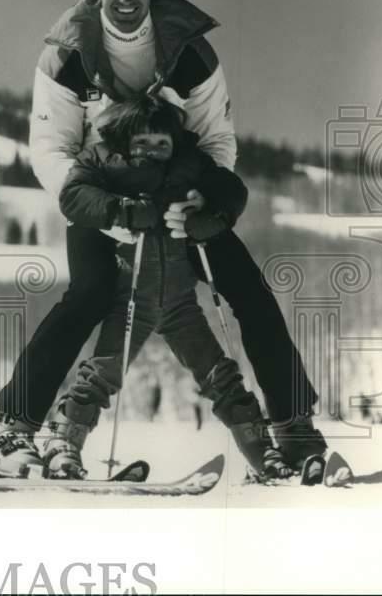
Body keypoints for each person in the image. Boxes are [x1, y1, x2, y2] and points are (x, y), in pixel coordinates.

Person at [0, 0, 326, 476]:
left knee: (250, 293)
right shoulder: (66, 53)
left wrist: (202, 206)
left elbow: (217, 140)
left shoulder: (191, 51)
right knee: (90, 293)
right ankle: (12, 430)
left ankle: (296, 431)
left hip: (179, 199)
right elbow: (52, 148)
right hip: (103, 198)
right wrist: (110, 213)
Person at [39, 96, 292, 481]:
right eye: (142, 143)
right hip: (130, 298)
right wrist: (121, 210)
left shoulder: (190, 166)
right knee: (102, 373)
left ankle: (264, 456)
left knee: (220, 376)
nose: (152, 151)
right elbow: (73, 196)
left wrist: (208, 214)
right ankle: (63, 446)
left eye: (162, 143)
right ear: (126, 138)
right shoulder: (104, 161)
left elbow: (231, 189)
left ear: (175, 143)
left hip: (179, 302)